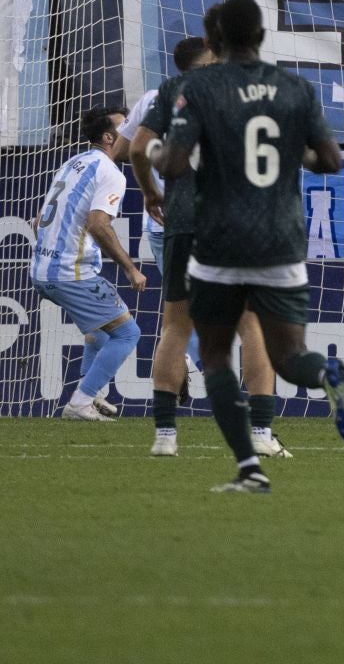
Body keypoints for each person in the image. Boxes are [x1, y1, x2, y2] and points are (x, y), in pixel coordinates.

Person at [149, 0, 344, 493]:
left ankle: (249, 469)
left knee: (216, 354)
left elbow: (174, 165)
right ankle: (328, 373)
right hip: (280, 240)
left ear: (213, 41)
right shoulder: (296, 88)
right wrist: (296, 156)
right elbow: (330, 162)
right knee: (288, 357)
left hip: (219, 240)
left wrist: (155, 151)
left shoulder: (197, 86)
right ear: (263, 37)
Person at [128, 36, 289, 459]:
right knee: (252, 326)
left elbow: (138, 148)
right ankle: (259, 433)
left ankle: (165, 437)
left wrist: (149, 192)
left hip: (182, 223)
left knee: (177, 328)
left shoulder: (170, 91)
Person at [30, 107, 141, 424]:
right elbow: (98, 225)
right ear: (109, 137)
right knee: (127, 333)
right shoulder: (111, 173)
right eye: (126, 127)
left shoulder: (73, 163)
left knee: (100, 333)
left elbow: (39, 221)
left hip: (43, 269)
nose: (132, 134)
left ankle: (96, 396)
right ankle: (81, 402)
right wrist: (131, 269)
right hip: (69, 271)